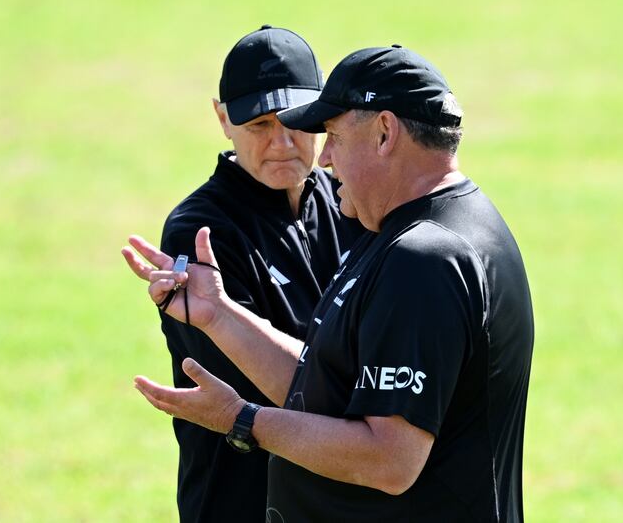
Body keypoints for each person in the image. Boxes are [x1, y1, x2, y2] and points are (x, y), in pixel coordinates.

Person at [125, 45, 534, 522]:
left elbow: (390, 460)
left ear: (385, 132)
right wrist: (219, 312)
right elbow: (332, 391)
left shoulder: (424, 259)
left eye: (334, 135)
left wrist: (243, 419)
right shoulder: (425, 228)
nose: (324, 160)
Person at [122, 26, 362, 523]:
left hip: (335, 498)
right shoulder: (199, 234)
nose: (282, 143)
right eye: (258, 125)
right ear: (222, 118)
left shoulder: (349, 202)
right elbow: (272, 393)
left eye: (296, 121)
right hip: (243, 502)